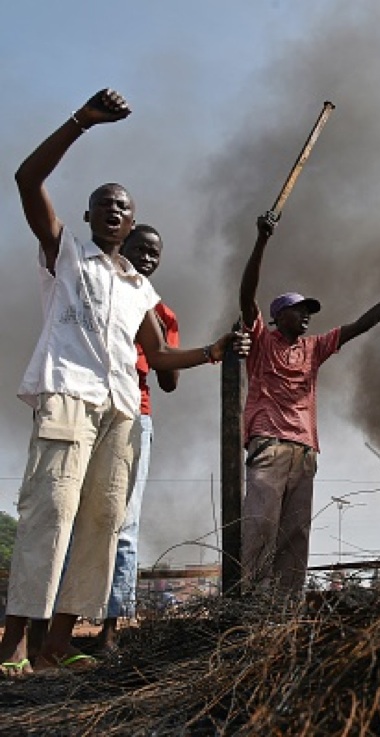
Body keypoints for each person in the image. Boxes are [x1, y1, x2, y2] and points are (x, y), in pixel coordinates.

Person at [0, 89, 247, 676]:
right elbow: (26, 178)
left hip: (120, 412)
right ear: (89, 217)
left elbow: (157, 357)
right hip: (67, 395)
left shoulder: (141, 288)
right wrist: (81, 122)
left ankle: (59, 642)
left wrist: (215, 350)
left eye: (123, 207)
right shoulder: (66, 254)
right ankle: (13, 646)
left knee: (104, 520)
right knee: (51, 513)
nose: (114, 212)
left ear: (133, 221)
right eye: (104, 205)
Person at [239, 212, 380, 592]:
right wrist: (261, 241)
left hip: (304, 451)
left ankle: (285, 616)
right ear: (276, 315)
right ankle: (249, 609)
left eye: (308, 312)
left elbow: (361, 325)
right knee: (259, 527)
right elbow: (246, 294)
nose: (306, 316)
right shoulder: (261, 341)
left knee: (294, 539)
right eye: (299, 309)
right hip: (268, 444)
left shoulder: (314, 348)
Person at [95, 225, 179, 651]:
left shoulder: (162, 313)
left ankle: (110, 628)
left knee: (124, 524)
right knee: (76, 517)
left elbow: (169, 381)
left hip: (136, 413)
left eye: (154, 253)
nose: (147, 257)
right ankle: (51, 629)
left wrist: (159, 344)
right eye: (139, 249)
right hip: (91, 405)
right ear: (121, 247)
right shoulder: (96, 290)